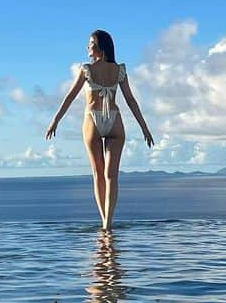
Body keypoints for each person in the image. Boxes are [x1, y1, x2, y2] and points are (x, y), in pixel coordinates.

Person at [45, 29, 154, 229]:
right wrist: (144, 128)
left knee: (99, 174)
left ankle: (104, 222)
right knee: (111, 175)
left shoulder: (86, 69)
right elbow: (130, 100)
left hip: (92, 119)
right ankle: (107, 222)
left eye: (91, 43)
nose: (88, 47)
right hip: (115, 120)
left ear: (100, 47)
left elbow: (70, 96)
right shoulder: (119, 70)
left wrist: (55, 120)